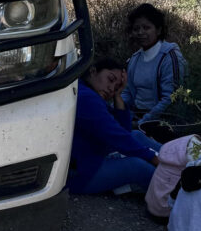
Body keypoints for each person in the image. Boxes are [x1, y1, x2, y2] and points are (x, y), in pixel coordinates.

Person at [68, 58, 162, 195]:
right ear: (93, 71)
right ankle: (175, 194)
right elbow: (117, 136)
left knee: (137, 135)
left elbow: (125, 131)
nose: (111, 88)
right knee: (136, 166)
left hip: (90, 158)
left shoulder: (88, 91)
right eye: (110, 79)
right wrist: (153, 158)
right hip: (80, 173)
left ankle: (177, 158)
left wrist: (118, 96)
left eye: (116, 87)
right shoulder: (86, 98)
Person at [121, 4, 188, 124]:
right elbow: (128, 93)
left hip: (163, 122)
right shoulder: (134, 59)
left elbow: (171, 99)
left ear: (158, 30)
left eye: (146, 28)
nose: (140, 32)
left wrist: (143, 122)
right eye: (136, 29)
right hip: (136, 117)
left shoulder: (170, 57)